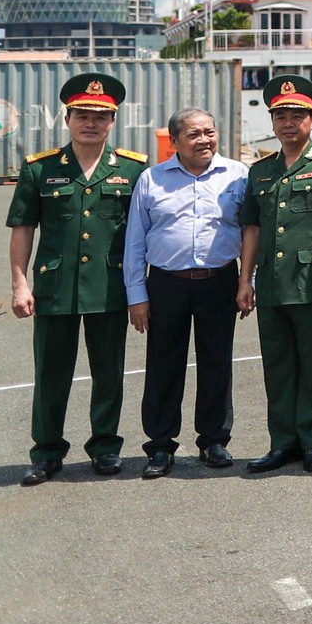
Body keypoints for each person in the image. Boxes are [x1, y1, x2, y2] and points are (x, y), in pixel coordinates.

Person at [7, 74, 149, 486]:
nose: (91, 123)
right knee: (51, 372)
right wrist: (19, 283)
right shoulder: (41, 168)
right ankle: (46, 451)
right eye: (83, 115)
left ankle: (105, 447)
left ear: (113, 122)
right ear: (67, 119)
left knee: (109, 372)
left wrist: (141, 287)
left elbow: (144, 232)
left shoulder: (133, 169)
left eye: (100, 117)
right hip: (55, 288)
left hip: (110, 285)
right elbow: (23, 228)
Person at [235, 76, 312, 474]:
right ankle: (282, 443)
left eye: (297, 116)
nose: (289, 123)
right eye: (281, 116)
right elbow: (251, 228)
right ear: (272, 121)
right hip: (271, 283)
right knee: (278, 365)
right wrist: (245, 279)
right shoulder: (260, 171)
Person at [124, 107, 248, 478]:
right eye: (194, 134)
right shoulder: (152, 179)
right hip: (165, 284)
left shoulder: (238, 175)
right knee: (164, 365)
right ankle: (160, 446)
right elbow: (135, 241)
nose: (204, 140)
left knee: (216, 362)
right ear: (175, 141)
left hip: (219, 279)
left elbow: (251, 232)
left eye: (209, 132)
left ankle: (213, 441)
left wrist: (248, 281)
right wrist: (136, 295)